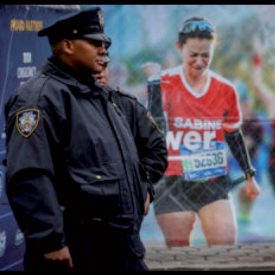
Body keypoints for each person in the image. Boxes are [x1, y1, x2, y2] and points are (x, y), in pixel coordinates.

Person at [4, 8, 161, 272]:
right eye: (95, 42)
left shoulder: (100, 97)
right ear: (67, 45)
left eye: (106, 44)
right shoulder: (39, 99)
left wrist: (143, 186)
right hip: (78, 251)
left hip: (122, 246)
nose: (103, 50)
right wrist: (49, 240)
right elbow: (29, 173)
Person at [146, 17, 260, 247]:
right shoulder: (164, 83)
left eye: (206, 55)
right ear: (180, 48)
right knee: (180, 253)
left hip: (212, 178)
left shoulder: (226, 89)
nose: (199, 61)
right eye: (193, 54)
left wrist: (249, 176)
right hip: (172, 181)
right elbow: (154, 131)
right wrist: (153, 86)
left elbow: (233, 134)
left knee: (225, 246)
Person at [93, 55, 168, 211]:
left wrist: (144, 185)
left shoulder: (127, 103)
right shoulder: (71, 106)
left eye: (104, 67)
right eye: (116, 74)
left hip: (125, 201)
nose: (100, 73)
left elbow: (157, 147)